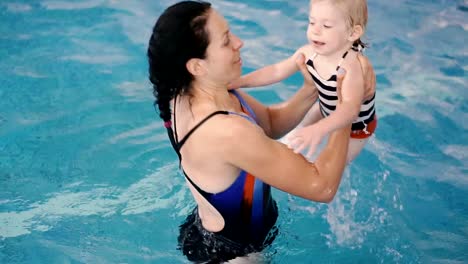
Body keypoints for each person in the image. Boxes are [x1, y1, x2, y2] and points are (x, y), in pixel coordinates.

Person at [147, 1, 375, 262]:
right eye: (225, 41)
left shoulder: (192, 91)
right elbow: (321, 187)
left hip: (213, 228)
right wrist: (346, 106)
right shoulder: (226, 131)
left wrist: (313, 89)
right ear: (197, 66)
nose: (239, 42)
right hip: (235, 255)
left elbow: (268, 122)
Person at [230, 0, 377, 162]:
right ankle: (296, 138)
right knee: (295, 138)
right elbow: (276, 71)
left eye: (326, 26)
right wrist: (240, 81)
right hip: (325, 107)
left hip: (357, 129)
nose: (315, 31)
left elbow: (350, 110)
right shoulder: (309, 53)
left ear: (353, 33)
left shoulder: (351, 67)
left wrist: (319, 129)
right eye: (312, 22)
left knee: (331, 165)